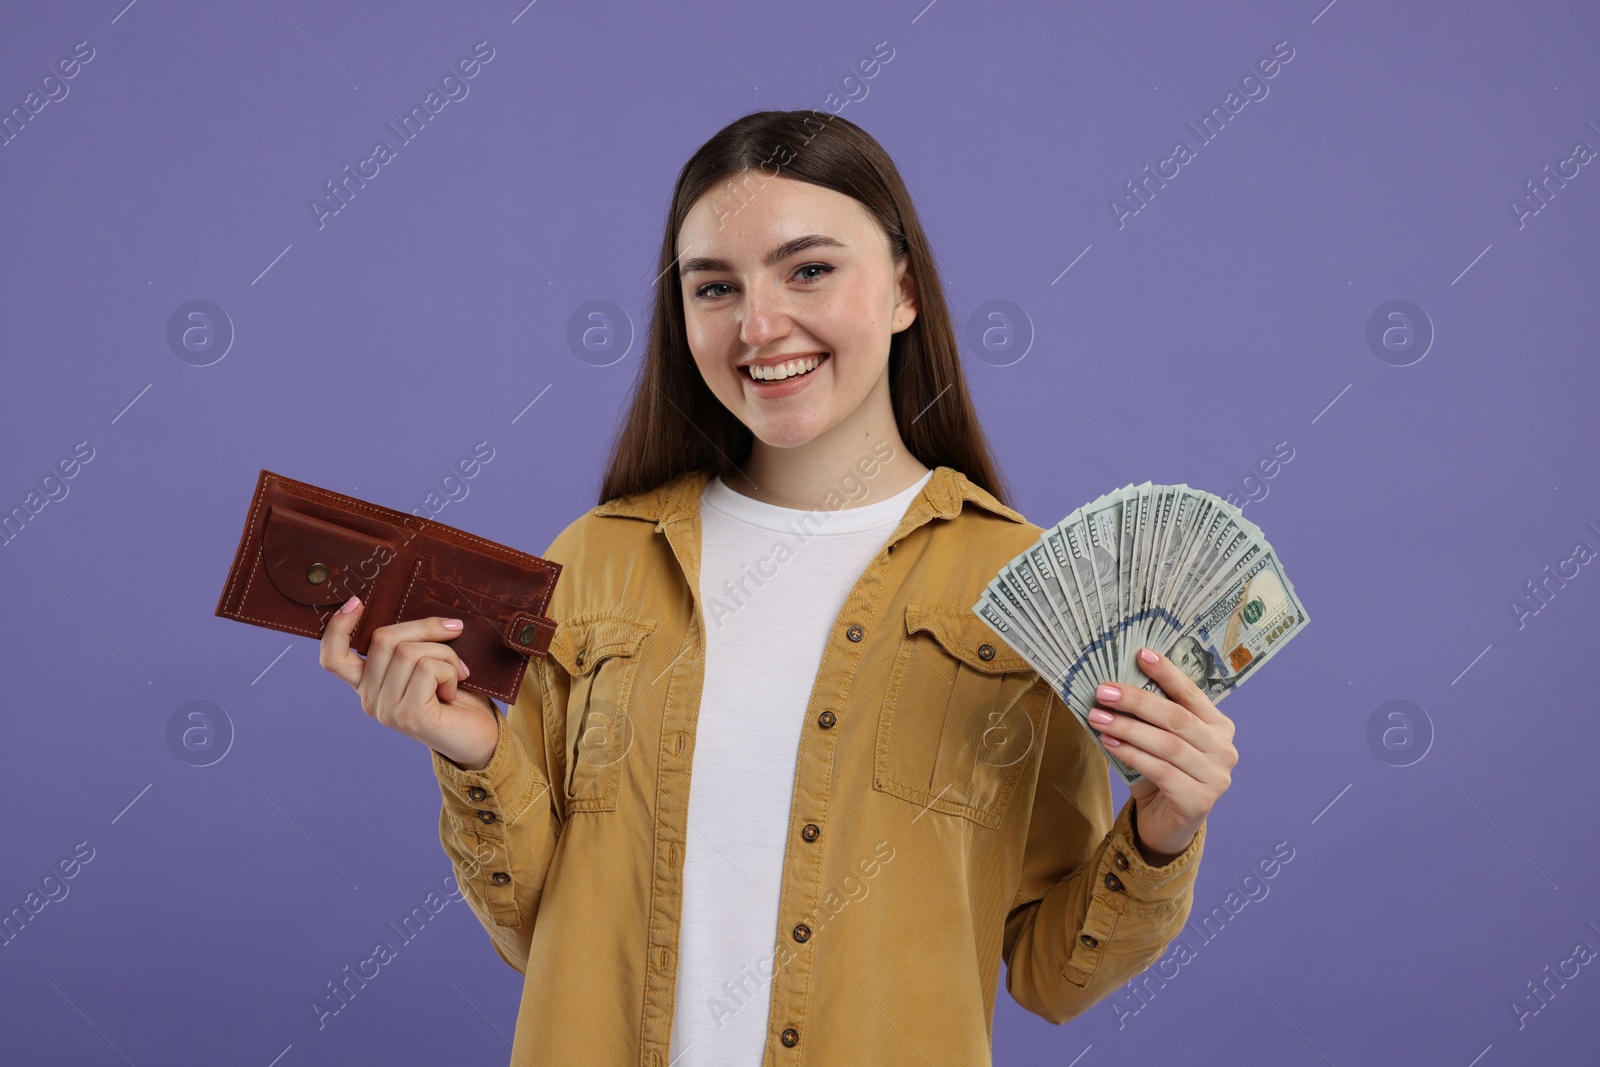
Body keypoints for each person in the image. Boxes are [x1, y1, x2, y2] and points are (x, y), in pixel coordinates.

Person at [319, 109, 1238, 1065]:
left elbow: (1055, 973)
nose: (758, 326)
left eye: (808, 269)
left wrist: (1166, 827)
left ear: (904, 291)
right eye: (715, 287)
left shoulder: (1021, 590)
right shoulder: (597, 560)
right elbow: (540, 936)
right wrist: (475, 753)